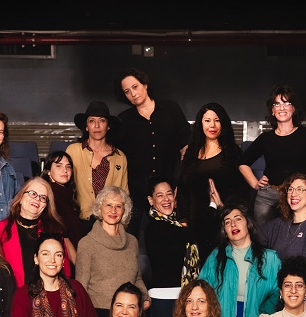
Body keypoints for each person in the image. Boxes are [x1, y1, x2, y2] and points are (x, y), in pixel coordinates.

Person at [237, 84, 306, 224]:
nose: (281, 108)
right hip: (268, 197)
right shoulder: (266, 138)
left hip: (297, 196)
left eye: (286, 103)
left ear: (293, 108)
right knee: (264, 236)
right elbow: (242, 163)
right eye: (277, 104)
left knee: (295, 235)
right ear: (272, 110)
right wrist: (255, 184)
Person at [115, 68, 190, 231]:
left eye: (135, 87)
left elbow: (186, 145)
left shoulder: (171, 109)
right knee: (132, 238)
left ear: (145, 84)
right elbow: (117, 156)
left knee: (176, 236)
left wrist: (182, 181)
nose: (132, 94)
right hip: (137, 193)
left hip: (171, 189)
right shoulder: (124, 120)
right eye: (127, 91)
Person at [178, 102, 251, 258]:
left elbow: (242, 190)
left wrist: (226, 210)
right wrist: (183, 219)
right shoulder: (191, 153)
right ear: (201, 124)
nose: (212, 125)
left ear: (223, 123)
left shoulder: (232, 152)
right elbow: (183, 187)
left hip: (222, 223)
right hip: (195, 223)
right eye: (207, 120)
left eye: (217, 120)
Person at [199, 202, 281, 317]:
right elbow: (202, 290)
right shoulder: (216, 257)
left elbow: (276, 294)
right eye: (227, 222)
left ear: (248, 223)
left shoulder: (270, 258)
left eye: (238, 219)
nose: (233, 224)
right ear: (224, 231)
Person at [75, 186, 149, 317]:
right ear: (99, 208)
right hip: (98, 314)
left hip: (128, 314)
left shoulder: (132, 242)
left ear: (124, 210)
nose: (113, 211)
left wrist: (145, 298)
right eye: (108, 205)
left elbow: (137, 278)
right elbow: (81, 287)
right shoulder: (87, 243)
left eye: (118, 206)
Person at [0, 176, 72, 287]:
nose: (37, 199)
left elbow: (65, 270)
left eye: (43, 197)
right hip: (11, 293)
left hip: (44, 294)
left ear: (46, 205)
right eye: (32, 193)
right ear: (21, 197)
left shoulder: (53, 230)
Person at [66, 101, 129, 225]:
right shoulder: (73, 151)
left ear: (108, 126)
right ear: (86, 126)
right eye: (91, 121)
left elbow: (124, 195)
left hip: (109, 223)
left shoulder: (120, 157)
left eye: (102, 121)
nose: (97, 126)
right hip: (78, 221)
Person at [258, 172, 306, 275]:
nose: (293, 194)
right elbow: (249, 239)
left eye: (300, 189)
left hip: (301, 284)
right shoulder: (278, 224)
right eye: (290, 189)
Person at [143, 176, 197, 290]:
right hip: (164, 295)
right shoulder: (155, 227)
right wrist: (213, 206)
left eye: (169, 194)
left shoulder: (175, 223)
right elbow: (194, 233)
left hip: (183, 292)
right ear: (151, 200)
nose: (166, 199)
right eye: (160, 195)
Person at [41, 150, 87, 248]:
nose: (65, 170)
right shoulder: (47, 194)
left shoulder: (68, 194)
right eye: (59, 166)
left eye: (68, 166)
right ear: (48, 171)